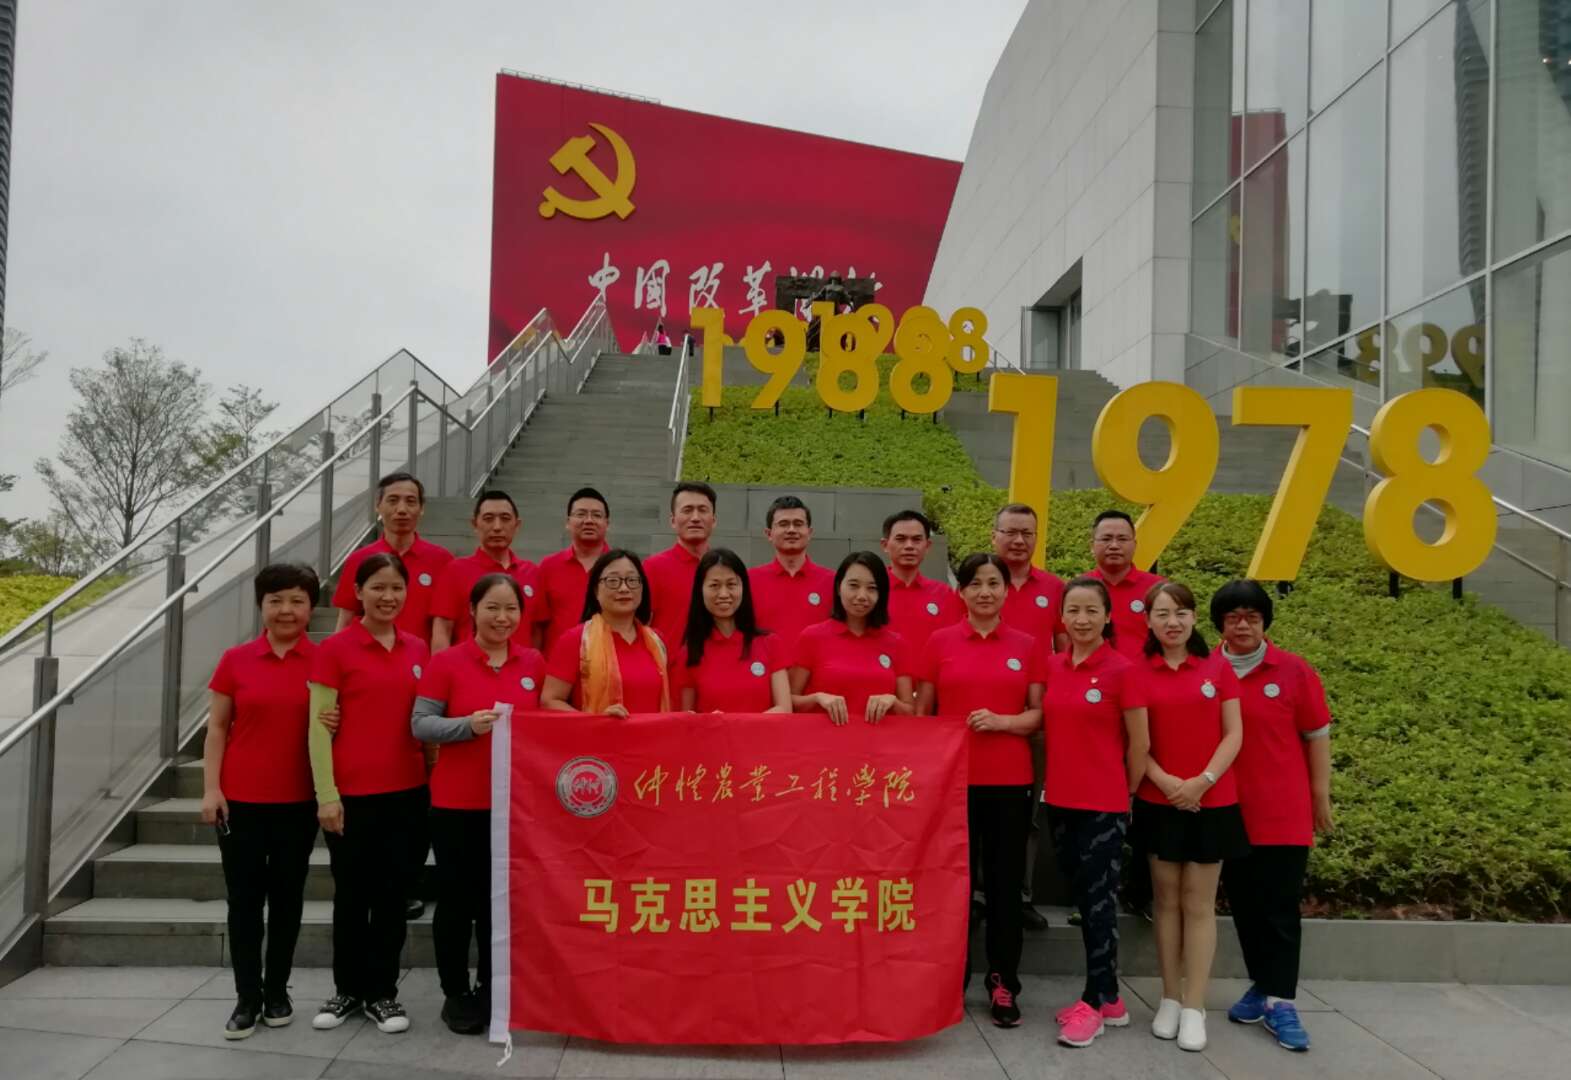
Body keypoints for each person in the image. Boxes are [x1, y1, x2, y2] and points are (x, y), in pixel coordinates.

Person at [413, 573, 545, 1035]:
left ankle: (493, 986)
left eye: (511, 609)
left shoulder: (533, 662)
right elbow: (421, 724)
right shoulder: (447, 661)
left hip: (514, 807)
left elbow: (551, 723)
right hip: (457, 804)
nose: (502, 617)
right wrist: (466, 726)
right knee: (456, 902)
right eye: (492, 607)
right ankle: (455, 991)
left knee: (500, 903)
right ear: (472, 610)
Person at [914, 553, 1040, 1029]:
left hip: (1009, 781)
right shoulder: (939, 641)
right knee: (953, 884)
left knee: (1005, 886)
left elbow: (1038, 714)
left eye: (994, 583)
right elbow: (924, 714)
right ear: (961, 592)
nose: (985, 592)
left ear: (1006, 590)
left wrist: (1002, 722)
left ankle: (1003, 981)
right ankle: (951, 977)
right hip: (952, 784)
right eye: (975, 584)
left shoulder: (1027, 645)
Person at [308, 552, 430, 1035]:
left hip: (409, 794)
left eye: (396, 588)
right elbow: (318, 728)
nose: (388, 596)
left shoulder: (418, 649)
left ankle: (382, 994)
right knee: (352, 897)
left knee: (393, 897)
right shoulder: (334, 649)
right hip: (351, 797)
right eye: (377, 587)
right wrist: (326, 795)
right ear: (358, 592)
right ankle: (347, 990)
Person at [201, 563, 322, 1040]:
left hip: (299, 801)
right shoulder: (236, 659)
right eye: (275, 600)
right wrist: (211, 788)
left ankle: (277, 991)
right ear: (261, 606)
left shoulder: (325, 660)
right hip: (240, 803)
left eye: (296, 600)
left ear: (311, 606)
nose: (286, 610)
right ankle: (246, 997)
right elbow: (216, 728)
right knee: (245, 902)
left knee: (288, 900)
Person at [1212, 580, 1333, 1054]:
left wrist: (1320, 795)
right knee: (1244, 906)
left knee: (1279, 908)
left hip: (1283, 810)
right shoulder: (1207, 669)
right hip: (1227, 809)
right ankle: (1263, 985)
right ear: (1220, 624)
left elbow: (1316, 733)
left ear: (1265, 622)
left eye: (1252, 617)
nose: (1243, 626)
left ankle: (1282, 1001)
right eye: (1233, 618)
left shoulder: (1293, 670)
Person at [1135, 582, 1247, 1053]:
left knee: (1199, 903)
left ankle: (1196, 1005)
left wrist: (1202, 781)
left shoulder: (1218, 668)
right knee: (1166, 901)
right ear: (1148, 621)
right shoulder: (1138, 671)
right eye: (1162, 614)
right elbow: (1136, 742)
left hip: (1212, 801)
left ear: (1194, 618)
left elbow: (1233, 734)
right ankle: (1169, 997)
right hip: (1159, 800)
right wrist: (1166, 783)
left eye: (1181, 612)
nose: (1172, 622)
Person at [1042, 576, 1149, 1049]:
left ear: (1108, 616)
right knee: (1084, 901)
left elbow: (1140, 744)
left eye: (1091, 611)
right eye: (1073, 610)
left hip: (1103, 806)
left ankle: (1093, 1002)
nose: (1082, 620)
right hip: (1060, 801)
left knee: (1100, 904)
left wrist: (1126, 794)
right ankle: (1112, 1000)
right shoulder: (1054, 665)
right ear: (1062, 617)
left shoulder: (1123, 671)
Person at [991, 502, 1067, 932]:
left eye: (1027, 533)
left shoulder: (1053, 588)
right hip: (980, 717)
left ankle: (1019, 895)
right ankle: (978, 894)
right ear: (994, 536)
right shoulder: (979, 582)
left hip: (1035, 717)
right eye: (1010, 532)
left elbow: (1066, 650)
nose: (1018, 541)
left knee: (1029, 812)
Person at [541, 549, 672, 715]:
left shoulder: (657, 642)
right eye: (613, 581)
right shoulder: (576, 640)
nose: (624, 588)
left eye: (632, 580)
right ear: (596, 589)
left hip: (652, 732)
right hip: (595, 732)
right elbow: (550, 700)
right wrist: (596, 720)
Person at [790, 551, 914, 724]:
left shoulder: (896, 643)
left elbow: (910, 711)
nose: (862, 596)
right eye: (854, 585)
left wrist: (893, 701)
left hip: (879, 740)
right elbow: (790, 701)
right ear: (838, 587)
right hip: (824, 739)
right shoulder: (812, 637)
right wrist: (817, 698)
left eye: (872, 588)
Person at [333, 472, 453, 642]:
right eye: (393, 500)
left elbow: (447, 626)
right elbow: (346, 620)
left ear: (421, 508)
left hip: (421, 657)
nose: (402, 509)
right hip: (369, 656)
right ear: (378, 505)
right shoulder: (359, 559)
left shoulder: (442, 560)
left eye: (410, 501)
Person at [678, 548, 790, 712]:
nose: (724, 594)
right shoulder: (690, 652)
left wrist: (738, 724)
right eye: (714, 585)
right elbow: (686, 716)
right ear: (700, 590)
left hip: (760, 730)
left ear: (743, 588)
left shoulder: (770, 643)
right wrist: (710, 721)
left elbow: (784, 708)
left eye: (731, 584)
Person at [430, 490, 538, 651]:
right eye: (488, 519)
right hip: (468, 665)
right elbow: (442, 630)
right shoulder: (456, 570)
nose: (497, 527)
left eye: (505, 518)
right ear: (475, 524)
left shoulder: (532, 572)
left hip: (519, 665)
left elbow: (536, 632)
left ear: (517, 525)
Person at [527, 487, 611, 651]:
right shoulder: (549, 566)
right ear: (568, 522)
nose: (589, 520)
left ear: (607, 523)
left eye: (596, 515)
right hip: (558, 661)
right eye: (581, 514)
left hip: (606, 661)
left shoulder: (620, 567)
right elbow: (538, 626)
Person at [747, 495, 834, 655]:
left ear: (810, 532)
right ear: (769, 533)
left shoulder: (832, 581)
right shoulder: (748, 580)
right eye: (783, 524)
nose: (792, 530)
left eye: (798, 524)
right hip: (765, 669)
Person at [1085, 510, 1165, 661]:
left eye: (1122, 539)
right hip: (1093, 673)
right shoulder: (1078, 589)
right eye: (1106, 539)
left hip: (1146, 674)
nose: (1114, 545)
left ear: (1134, 545)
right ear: (1092, 545)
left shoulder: (1159, 588)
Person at [880, 510, 962, 655]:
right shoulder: (872, 592)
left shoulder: (944, 594)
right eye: (901, 539)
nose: (909, 546)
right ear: (885, 545)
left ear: (927, 546)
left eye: (916, 539)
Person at [645, 482, 717, 645]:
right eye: (687, 510)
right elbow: (640, 626)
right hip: (668, 661)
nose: (695, 518)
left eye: (703, 510)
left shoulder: (724, 568)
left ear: (713, 520)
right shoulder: (653, 568)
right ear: (673, 520)